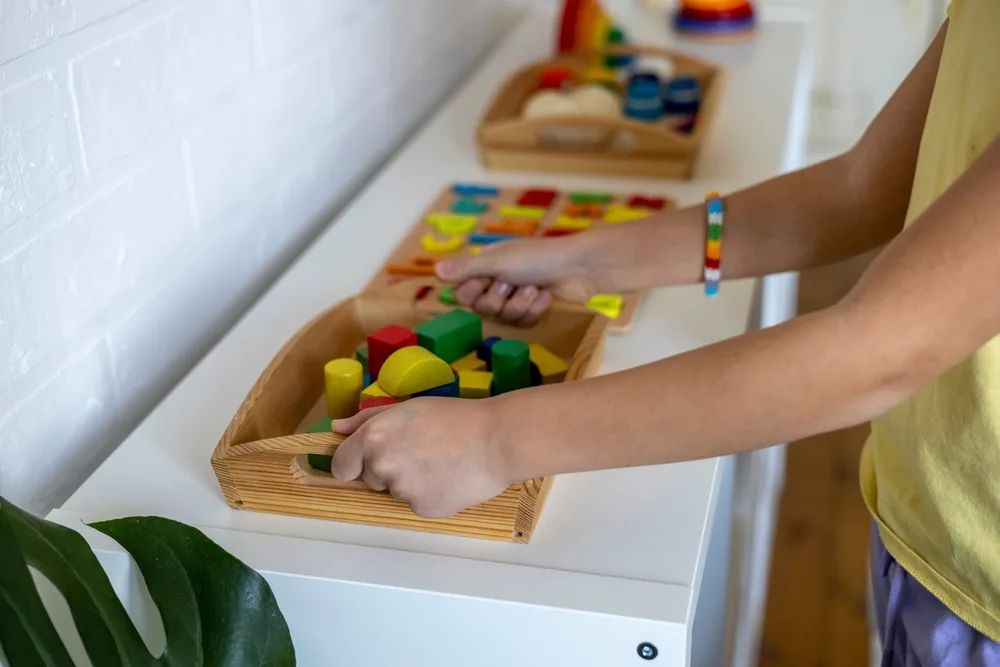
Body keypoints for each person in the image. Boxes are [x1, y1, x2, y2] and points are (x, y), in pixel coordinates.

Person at [331, 1, 1000, 664]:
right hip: (922, 528)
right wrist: (590, 257)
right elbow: (859, 189)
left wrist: (495, 440)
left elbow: (876, 352)